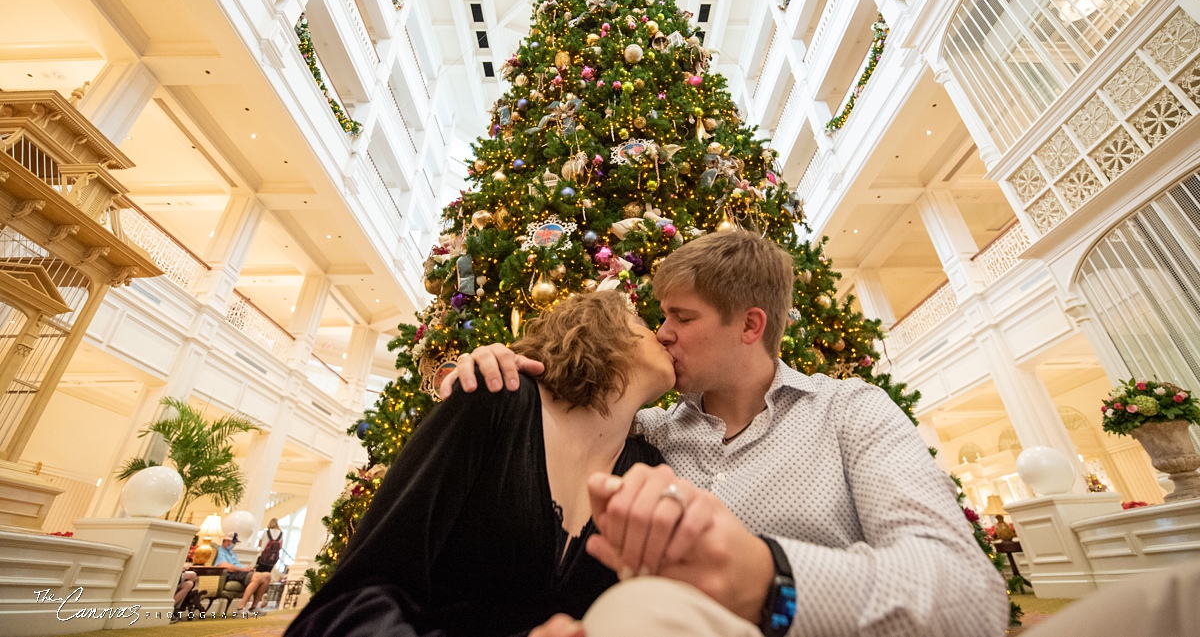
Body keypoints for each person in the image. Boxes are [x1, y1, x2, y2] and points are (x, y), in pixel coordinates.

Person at [447, 230, 1009, 637]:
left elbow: (972, 598)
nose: (662, 335)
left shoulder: (849, 412)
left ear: (749, 324)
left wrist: (772, 579)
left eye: (681, 318)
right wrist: (502, 363)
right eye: (659, 319)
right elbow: (567, 412)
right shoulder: (647, 436)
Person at [284, 290, 676, 637]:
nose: (662, 333)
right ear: (601, 331)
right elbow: (352, 598)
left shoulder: (648, 469)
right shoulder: (494, 401)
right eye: (642, 322)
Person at [213, 532, 272, 616]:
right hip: (231, 574)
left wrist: (247, 569)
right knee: (258, 576)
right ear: (226, 541)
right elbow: (224, 566)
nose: (234, 544)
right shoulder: (220, 551)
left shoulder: (232, 553)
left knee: (267, 575)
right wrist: (243, 569)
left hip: (240, 573)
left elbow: (237, 565)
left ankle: (253, 607)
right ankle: (241, 608)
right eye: (233, 542)